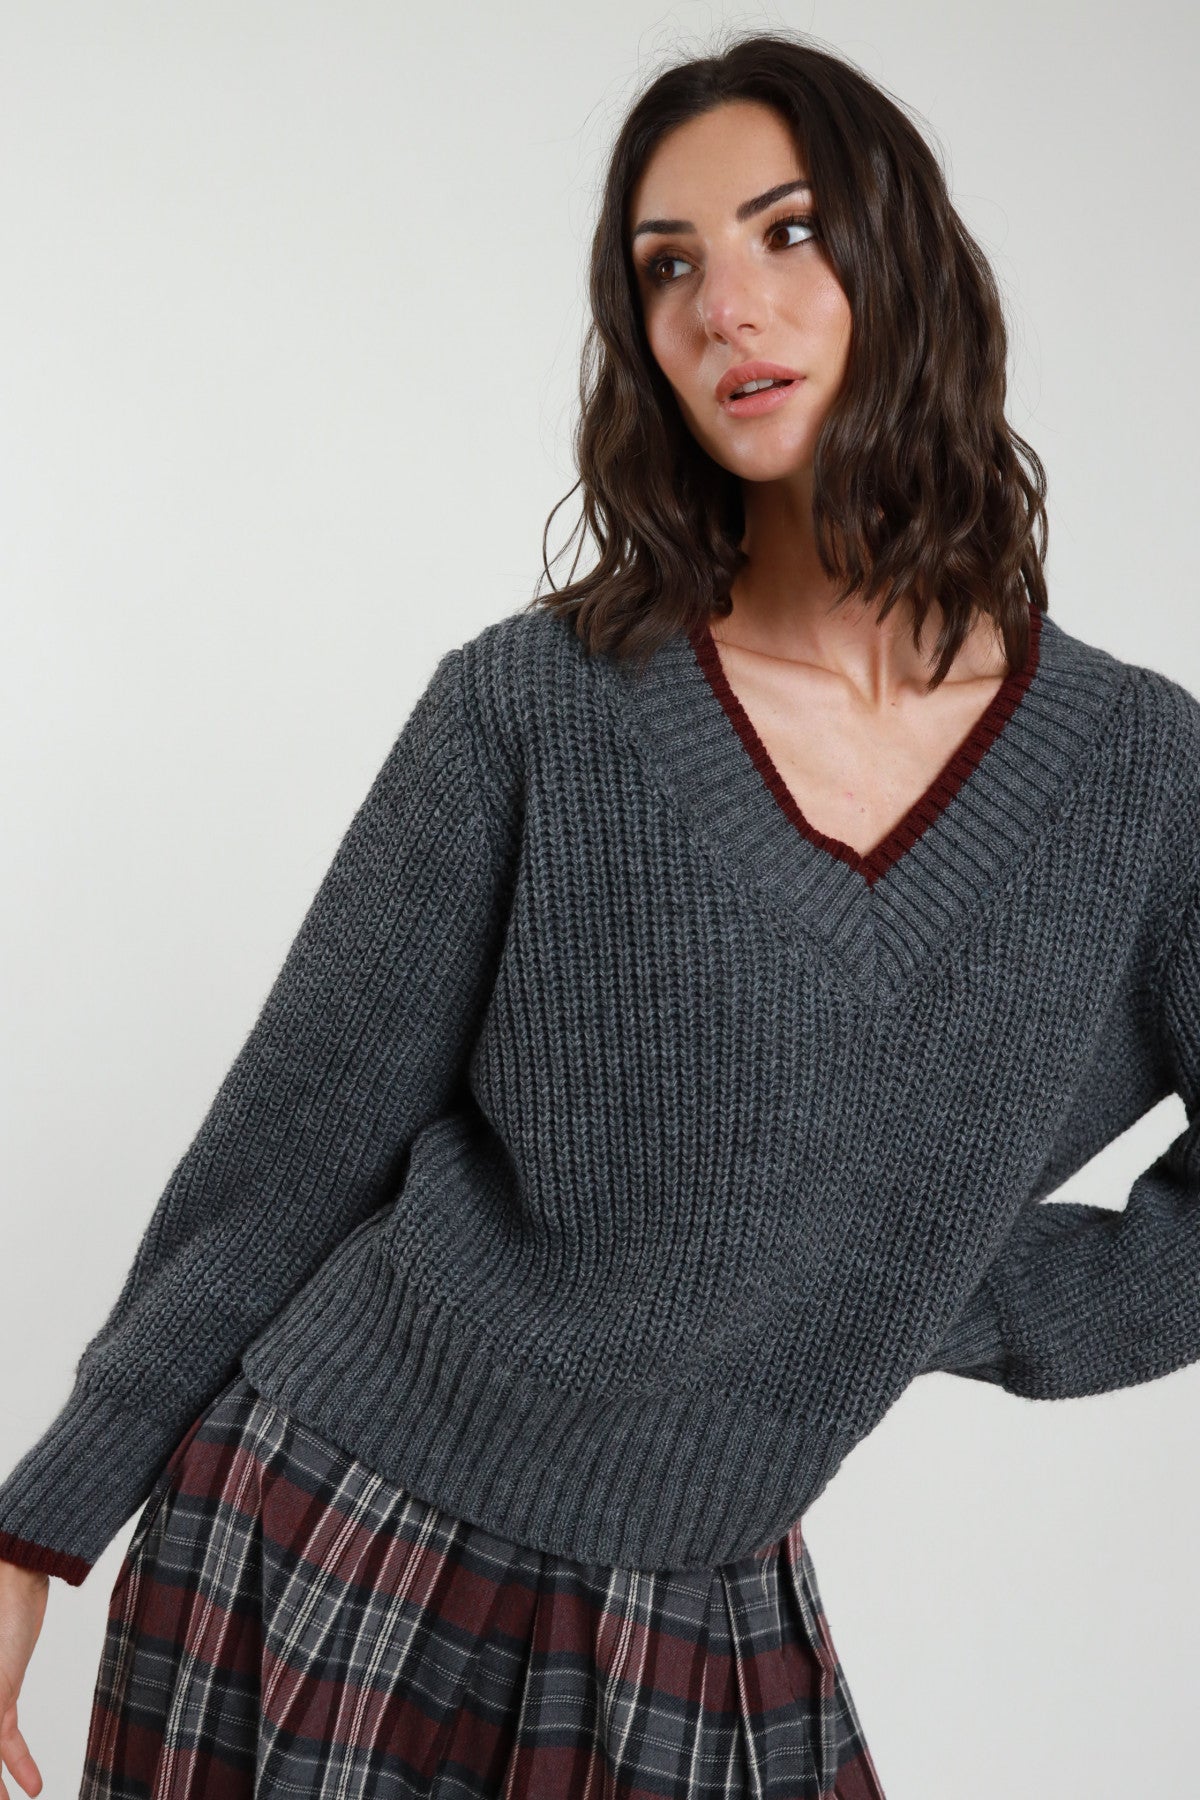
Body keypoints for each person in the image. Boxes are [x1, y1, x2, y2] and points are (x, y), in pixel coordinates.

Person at [2, 26, 1199, 1800]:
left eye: (790, 232)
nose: (728, 306)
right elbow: (288, 1154)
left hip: (705, 1609)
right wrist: (34, 1534)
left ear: (908, 265)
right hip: (335, 1543)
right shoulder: (537, 706)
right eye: (668, 267)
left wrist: (927, 1296)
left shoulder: (1141, 776)